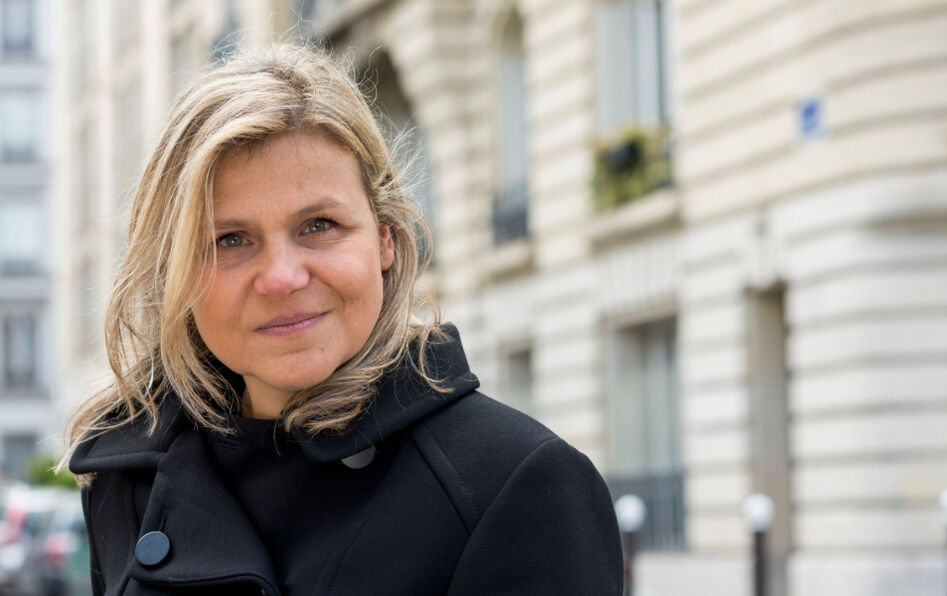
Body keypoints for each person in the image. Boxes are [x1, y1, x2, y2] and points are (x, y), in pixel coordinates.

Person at [62, 44, 622, 595]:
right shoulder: (129, 478)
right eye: (230, 239)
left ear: (385, 239)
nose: (282, 278)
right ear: (174, 273)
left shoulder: (515, 483)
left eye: (319, 226)